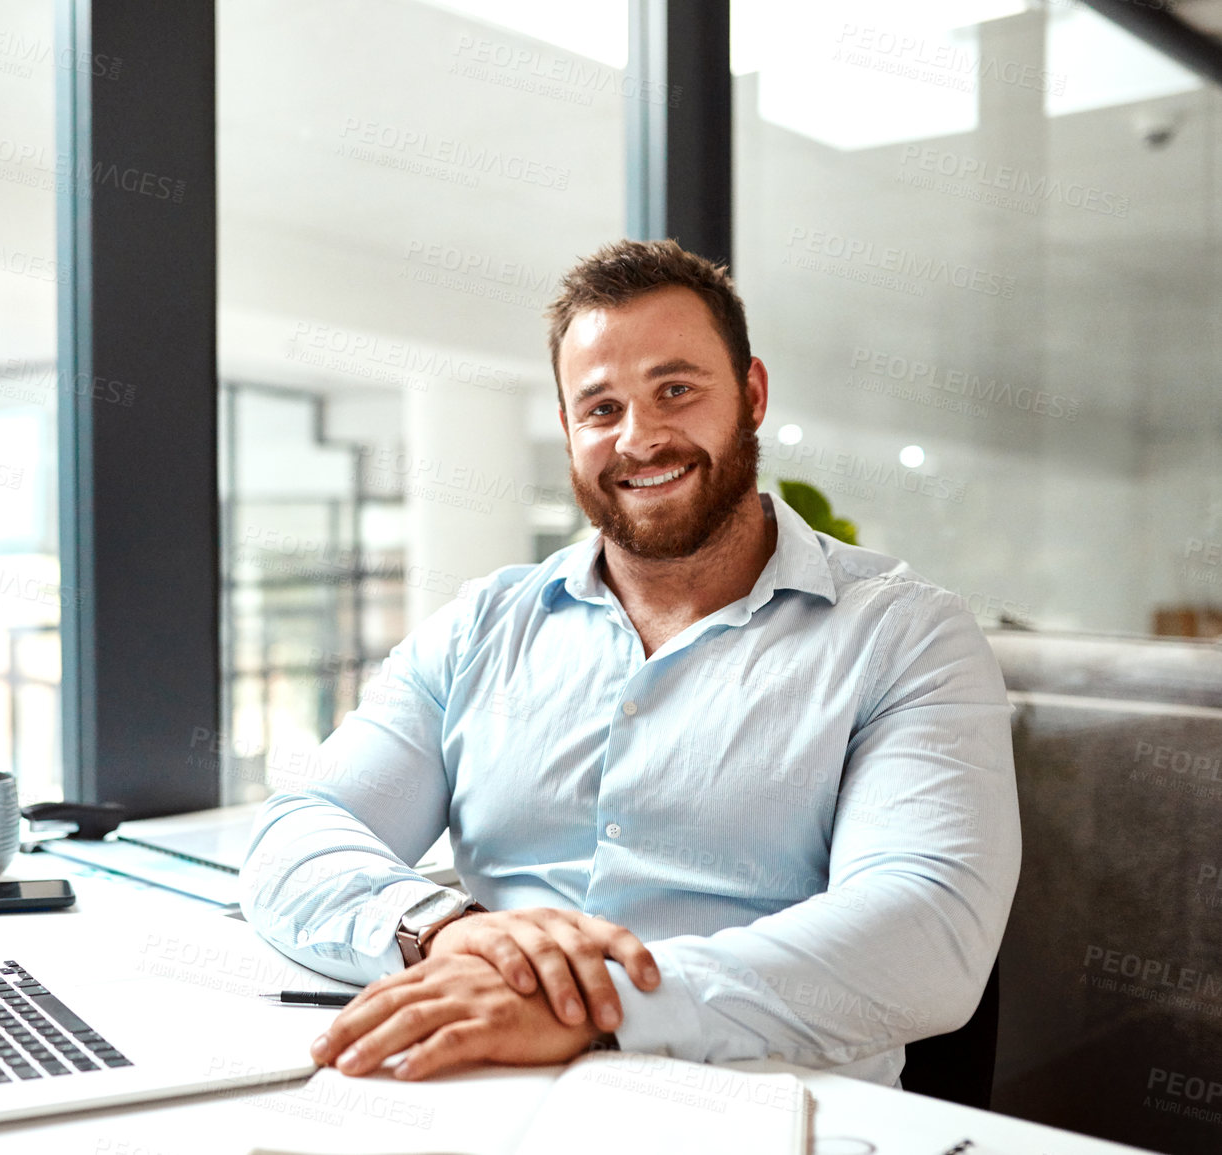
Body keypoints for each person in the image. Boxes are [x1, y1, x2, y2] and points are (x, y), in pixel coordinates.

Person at [239, 239, 1020, 1086]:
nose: (639, 438)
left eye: (674, 390)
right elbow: (296, 833)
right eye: (600, 408)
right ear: (570, 428)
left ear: (750, 396)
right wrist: (439, 927)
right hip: (479, 1084)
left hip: (760, 1111)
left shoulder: (906, 637)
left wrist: (597, 1006)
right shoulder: (481, 626)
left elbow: (925, 932)